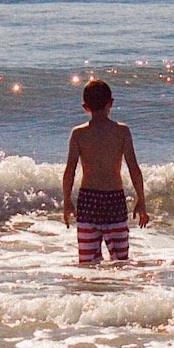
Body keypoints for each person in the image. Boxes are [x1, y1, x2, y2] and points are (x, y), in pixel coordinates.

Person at [62, 78, 148, 264]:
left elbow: (70, 170)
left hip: (88, 201)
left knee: (87, 261)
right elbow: (134, 168)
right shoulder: (122, 131)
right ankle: (117, 291)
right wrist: (141, 199)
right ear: (111, 103)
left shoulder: (78, 133)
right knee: (121, 261)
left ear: (85, 107)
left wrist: (67, 201)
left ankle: (91, 292)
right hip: (114, 201)